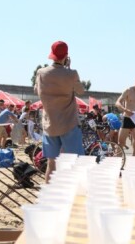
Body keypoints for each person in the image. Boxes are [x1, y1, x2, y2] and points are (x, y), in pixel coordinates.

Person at [35, 40, 85, 183]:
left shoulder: (41, 73)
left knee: (51, 163)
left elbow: (36, 90)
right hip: (68, 123)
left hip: (50, 123)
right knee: (76, 162)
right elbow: (81, 91)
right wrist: (68, 70)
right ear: (66, 56)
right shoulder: (71, 74)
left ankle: (48, 196)